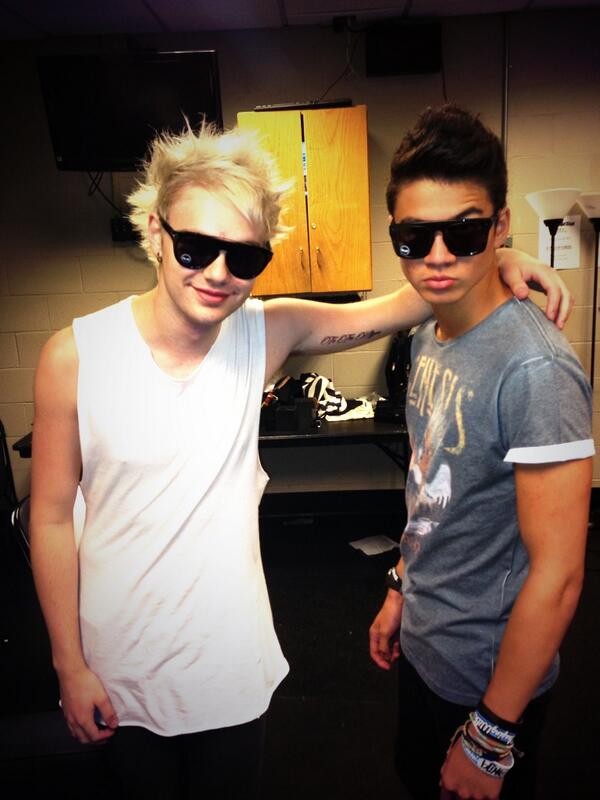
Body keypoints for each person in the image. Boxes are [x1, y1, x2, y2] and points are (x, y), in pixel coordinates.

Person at [29, 121, 573, 800]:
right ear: (155, 230)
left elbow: (408, 299)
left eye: (244, 257)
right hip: (117, 670)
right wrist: (69, 664)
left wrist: (497, 253)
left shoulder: (265, 332)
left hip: (230, 669)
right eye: (196, 248)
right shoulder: (74, 357)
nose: (218, 274)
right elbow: (50, 519)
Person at [368, 104, 594, 800]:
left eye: (464, 233)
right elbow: (435, 489)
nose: (438, 257)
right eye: (415, 237)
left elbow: (559, 575)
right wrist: (401, 585)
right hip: (429, 646)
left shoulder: (535, 369)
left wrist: (491, 735)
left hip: (489, 681)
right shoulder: (427, 335)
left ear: (499, 228)